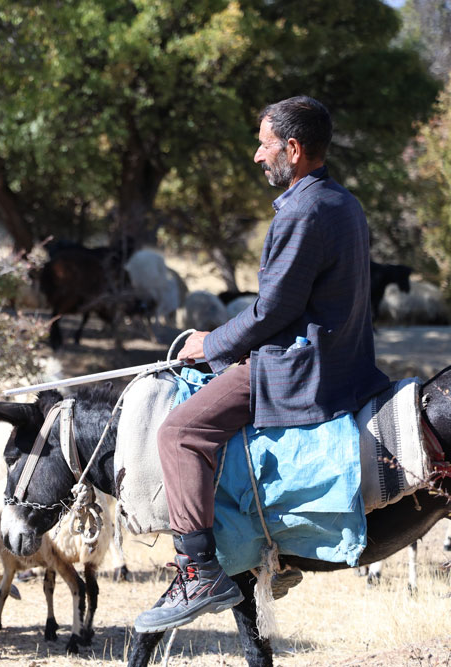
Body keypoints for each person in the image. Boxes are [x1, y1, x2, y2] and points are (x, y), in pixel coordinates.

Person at [134, 96, 390, 633]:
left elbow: (273, 311)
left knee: (180, 430)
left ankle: (198, 570)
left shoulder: (301, 211)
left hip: (300, 368)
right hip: (348, 362)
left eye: (264, 144)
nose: (257, 155)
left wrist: (211, 343)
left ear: (293, 150)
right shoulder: (345, 202)